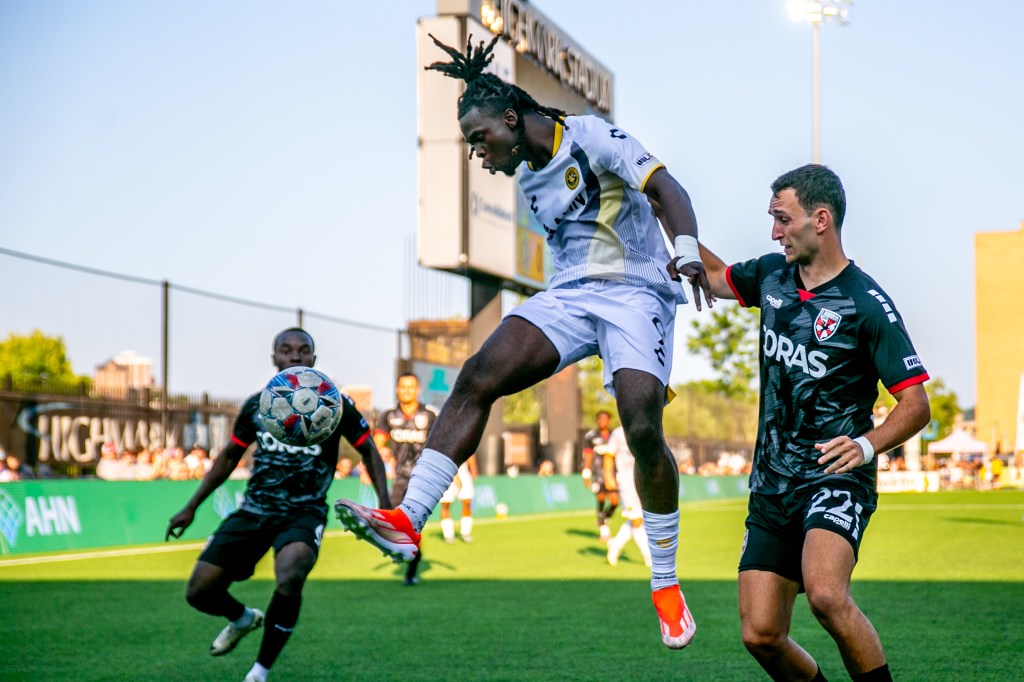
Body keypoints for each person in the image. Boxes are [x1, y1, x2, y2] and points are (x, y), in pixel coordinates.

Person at [336, 34, 712, 650]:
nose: (477, 155)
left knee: (641, 425)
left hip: (636, 293)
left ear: (511, 118)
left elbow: (669, 192)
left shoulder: (593, 138)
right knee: (477, 374)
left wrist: (689, 254)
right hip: (571, 294)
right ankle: (408, 519)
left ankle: (665, 583)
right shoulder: (529, 179)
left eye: (479, 139)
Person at [694, 164, 931, 681]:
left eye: (783, 219)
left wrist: (867, 446)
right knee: (761, 633)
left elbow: (916, 405)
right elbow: (714, 279)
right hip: (772, 483)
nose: (774, 232)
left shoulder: (868, 304)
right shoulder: (770, 275)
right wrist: (673, 224)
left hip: (834, 479)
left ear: (820, 219)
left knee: (826, 593)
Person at [165, 328, 390, 682]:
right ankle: (241, 618)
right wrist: (191, 506)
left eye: (303, 351)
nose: (295, 357)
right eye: (286, 351)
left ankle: (260, 670)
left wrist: (386, 507)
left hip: (304, 511)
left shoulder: (335, 403)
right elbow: (228, 457)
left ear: (313, 360)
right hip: (255, 508)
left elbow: (370, 452)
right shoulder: (258, 405)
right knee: (200, 592)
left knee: (290, 574)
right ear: (274, 359)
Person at [373, 372, 439, 586]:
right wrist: (369, 466)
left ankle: (411, 570)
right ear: (397, 389)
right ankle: (407, 555)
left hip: (423, 479)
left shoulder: (429, 415)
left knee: (411, 525)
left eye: (411, 387)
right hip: (400, 480)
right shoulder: (389, 415)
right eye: (403, 387)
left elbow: (441, 444)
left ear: (418, 390)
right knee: (395, 522)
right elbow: (376, 444)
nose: (407, 391)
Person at [605, 425, 652, 568]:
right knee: (636, 520)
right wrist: (608, 476)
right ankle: (649, 556)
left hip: (642, 480)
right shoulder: (618, 433)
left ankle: (615, 545)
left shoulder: (645, 429)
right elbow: (609, 454)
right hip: (626, 483)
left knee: (638, 519)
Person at [581, 410, 618, 542]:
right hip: (598, 473)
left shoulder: (615, 435)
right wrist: (586, 472)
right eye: (599, 419)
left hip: (613, 473)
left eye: (604, 419)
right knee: (601, 498)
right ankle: (603, 529)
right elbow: (587, 455)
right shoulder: (591, 436)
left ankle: (604, 518)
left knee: (615, 501)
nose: (602, 421)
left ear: (609, 420)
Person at [439, 453, 478, 544]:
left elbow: (470, 452)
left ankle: (465, 533)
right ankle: (448, 535)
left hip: (464, 473)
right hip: (447, 473)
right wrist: (455, 477)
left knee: (467, 502)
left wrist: (473, 467)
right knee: (446, 505)